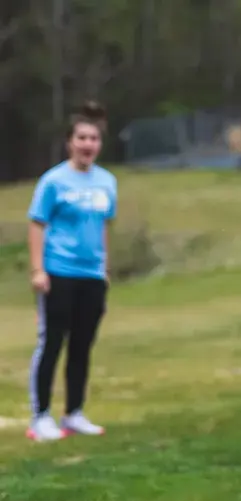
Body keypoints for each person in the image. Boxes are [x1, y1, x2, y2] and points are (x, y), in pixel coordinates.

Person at [26, 101, 116, 443]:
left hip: (91, 277)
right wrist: (38, 270)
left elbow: (104, 226)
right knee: (52, 344)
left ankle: (74, 413)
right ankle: (41, 417)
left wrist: (104, 267)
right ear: (70, 142)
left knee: (82, 346)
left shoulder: (107, 182)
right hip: (58, 272)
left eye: (93, 138)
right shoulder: (53, 182)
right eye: (82, 138)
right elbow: (37, 225)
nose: (88, 144)